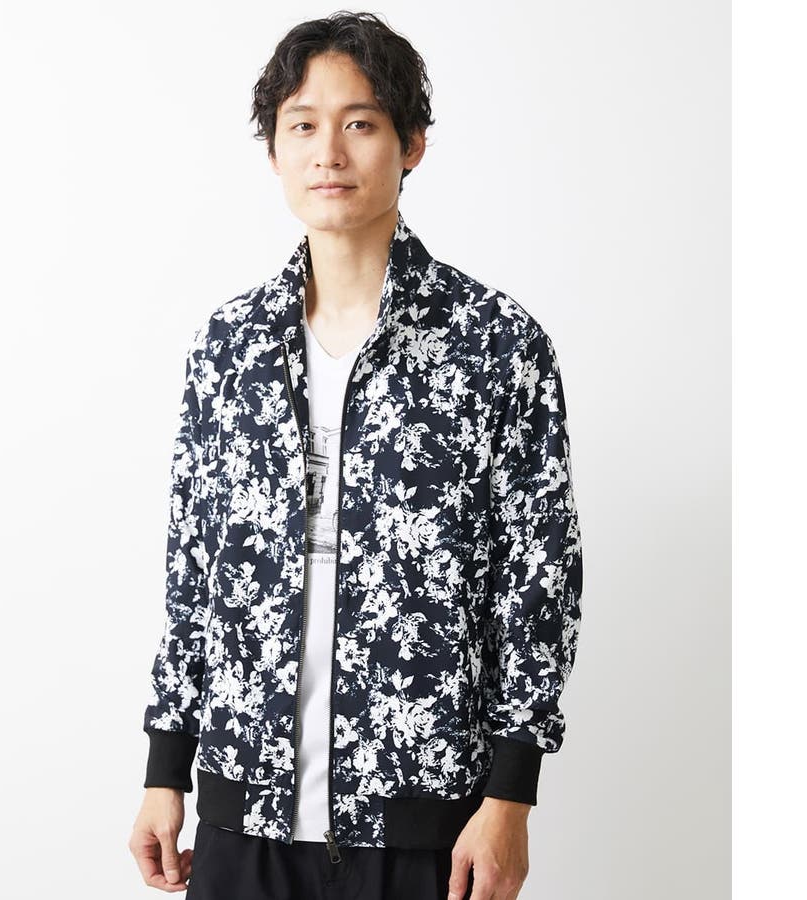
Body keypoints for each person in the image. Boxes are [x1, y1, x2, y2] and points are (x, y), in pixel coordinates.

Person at [128, 11, 583, 900]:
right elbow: (194, 570)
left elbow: (540, 580)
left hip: (425, 823)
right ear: (273, 151)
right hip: (241, 816)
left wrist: (510, 799)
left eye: (360, 123)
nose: (328, 152)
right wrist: (164, 770)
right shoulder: (228, 346)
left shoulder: (495, 344)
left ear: (412, 144)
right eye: (301, 125)